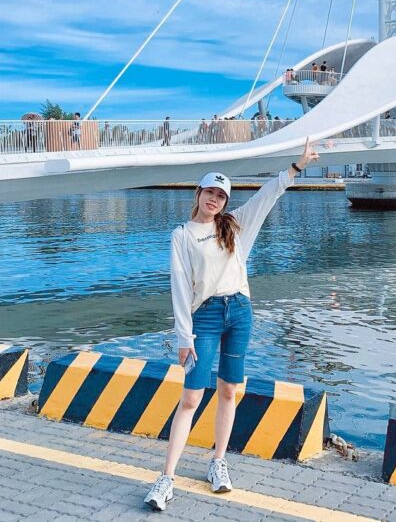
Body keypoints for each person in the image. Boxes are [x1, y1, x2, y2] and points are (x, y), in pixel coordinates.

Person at [144, 139, 319, 512]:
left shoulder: (235, 227)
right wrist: (183, 337)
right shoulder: (182, 235)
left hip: (240, 312)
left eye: (221, 196)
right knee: (191, 397)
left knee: (228, 391)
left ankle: (217, 462)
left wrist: (297, 166)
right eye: (210, 192)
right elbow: (178, 287)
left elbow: (268, 195)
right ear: (198, 193)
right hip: (204, 317)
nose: (214, 200)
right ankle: (166, 478)